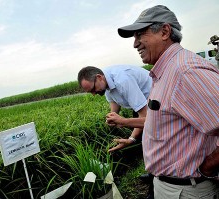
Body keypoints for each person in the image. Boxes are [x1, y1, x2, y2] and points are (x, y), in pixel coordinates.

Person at [118, 5, 219, 198]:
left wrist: (208, 167)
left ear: (165, 31)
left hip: (186, 189)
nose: (135, 43)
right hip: (171, 185)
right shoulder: (166, 70)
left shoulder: (185, 72)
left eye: (140, 34)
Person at [77, 65, 152, 151]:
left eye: (93, 89)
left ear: (99, 77)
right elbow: (114, 102)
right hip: (143, 105)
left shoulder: (123, 81)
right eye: (90, 92)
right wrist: (112, 118)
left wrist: (129, 133)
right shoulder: (105, 81)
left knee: (150, 139)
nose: (94, 94)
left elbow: (147, 120)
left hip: (158, 100)